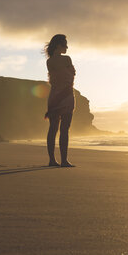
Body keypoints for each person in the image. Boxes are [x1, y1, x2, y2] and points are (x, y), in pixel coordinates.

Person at [44, 34, 76, 167]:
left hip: (54, 96)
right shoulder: (67, 59)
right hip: (67, 95)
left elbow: (55, 78)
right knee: (64, 129)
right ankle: (64, 160)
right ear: (58, 45)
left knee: (53, 128)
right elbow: (71, 76)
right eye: (65, 43)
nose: (67, 46)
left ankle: (52, 160)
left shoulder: (49, 61)